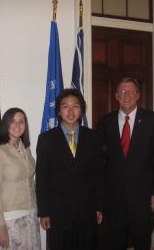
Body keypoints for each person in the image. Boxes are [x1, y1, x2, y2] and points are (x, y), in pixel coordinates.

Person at [97, 77, 154, 250]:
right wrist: (99, 199)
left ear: (137, 95)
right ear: (116, 96)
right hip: (113, 199)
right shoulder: (105, 122)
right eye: (122, 91)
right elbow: (100, 162)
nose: (126, 95)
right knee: (115, 241)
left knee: (142, 241)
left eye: (131, 91)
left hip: (144, 199)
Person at [36, 88, 104, 250]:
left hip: (86, 210)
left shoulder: (93, 138)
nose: (71, 111)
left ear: (81, 110)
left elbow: (99, 176)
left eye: (76, 106)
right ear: (59, 111)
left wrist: (99, 207)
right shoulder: (46, 139)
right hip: (57, 211)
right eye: (65, 106)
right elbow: (41, 178)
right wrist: (44, 211)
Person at [0, 108, 41, 250]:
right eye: (12, 121)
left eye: (21, 121)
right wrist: (0, 226)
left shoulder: (26, 150)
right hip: (10, 219)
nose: (17, 125)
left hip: (30, 216)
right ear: (5, 124)